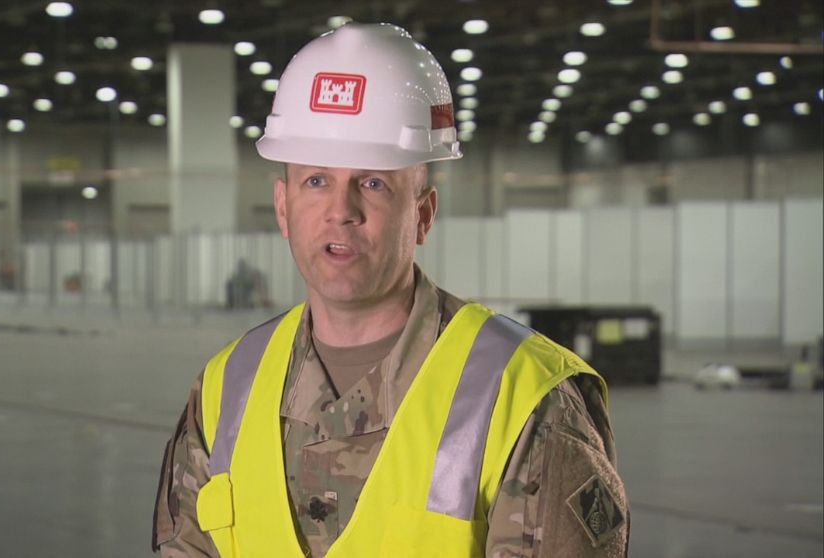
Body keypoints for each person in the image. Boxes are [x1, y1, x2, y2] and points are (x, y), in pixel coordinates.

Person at [153, 22, 629, 557]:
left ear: (422, 215)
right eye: (316, 181)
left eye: (374, 182)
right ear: (284, 209)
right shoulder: (226, 387)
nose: (341, 211)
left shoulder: (520, 396)